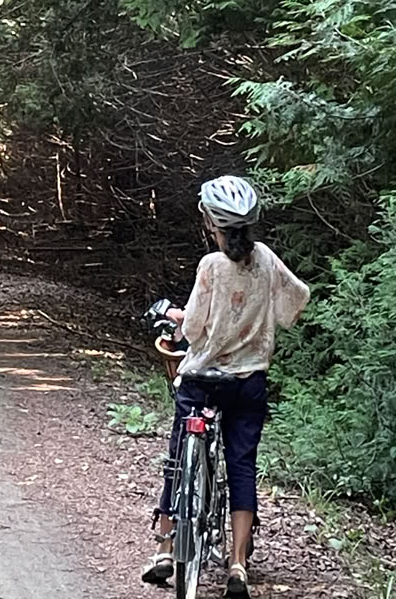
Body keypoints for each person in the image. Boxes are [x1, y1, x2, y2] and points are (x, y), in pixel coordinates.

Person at [141, 176, 310, 599]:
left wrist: (178, 319)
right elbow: (296, 302)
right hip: (249, 382)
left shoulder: (211, 266)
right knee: (241, 466)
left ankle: (166, 547)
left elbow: (195, 330)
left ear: (210, 223)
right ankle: (237, 565)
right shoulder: (267, 260)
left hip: (202, 380)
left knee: (179, 455)